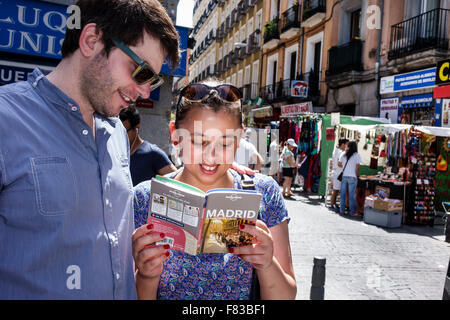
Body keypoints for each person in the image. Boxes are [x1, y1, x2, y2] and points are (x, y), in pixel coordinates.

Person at [0, 0, 180, 299]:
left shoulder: (117, 133)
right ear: (91, 40)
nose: (146, 91)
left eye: (153, 79)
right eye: (141, 70)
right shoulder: (6, 118)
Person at [132, 81, 297, 300]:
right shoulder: (145, 197)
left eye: (225, 143)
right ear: (175, 134)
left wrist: (267, 264)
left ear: (239, 140)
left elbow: (287, 295)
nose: (211, 157)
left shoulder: (264, 192)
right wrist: (146, 275)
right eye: (199, 142)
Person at [119, 106, 177, 186]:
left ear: (137, 128)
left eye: (124, 132)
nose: (120, 136)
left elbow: (177, 181)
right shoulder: (115, 151)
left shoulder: (152, 153)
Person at [338, 141, 362, 216]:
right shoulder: (356, 155)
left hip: (344, 176)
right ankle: (352, 212)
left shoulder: (343, 154)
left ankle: (341, 211)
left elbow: (339, 164)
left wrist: (345, 168)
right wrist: (356, 175)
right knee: (351, 195)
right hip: (352, 177)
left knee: (342, 194)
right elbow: (357, 167)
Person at [330, 139, 349, 211]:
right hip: (338, 172)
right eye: (347, 144)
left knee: (336, 190)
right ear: (343, 144)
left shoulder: (336, 150)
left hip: (336, 172)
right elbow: (339, 163)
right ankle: (332, 204)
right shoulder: (340, 152)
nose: (347, 146)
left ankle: (333, 203)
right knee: (336, 190)